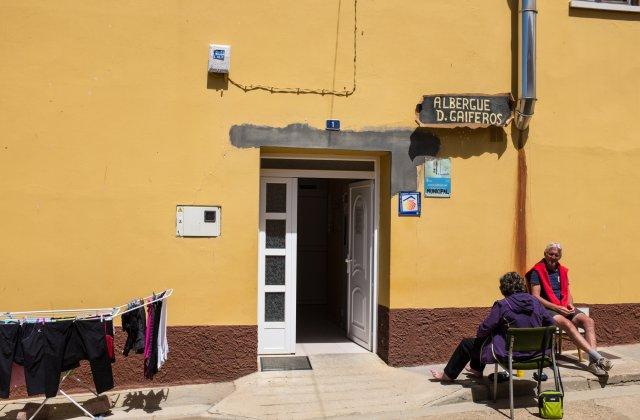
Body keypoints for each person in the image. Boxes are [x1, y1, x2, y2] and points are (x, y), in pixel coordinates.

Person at [431, 272, 555, 382]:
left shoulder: (503, 305)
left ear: (503, 289)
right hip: (537, 354)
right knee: (487, 338)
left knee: (469, 343)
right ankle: (476, 370)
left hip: (510, 355)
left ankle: (447, 375)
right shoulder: (535, 302)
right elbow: (551, 323)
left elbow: (483, 329)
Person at [527, 242, 613, 376]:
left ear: (559, 256)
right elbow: (535, 296)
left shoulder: (562, 271)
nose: (553, 257)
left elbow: (568, 292)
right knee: (567, 324)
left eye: (556, 255)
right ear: (545, 254)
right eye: (551, 254)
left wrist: (570, 304)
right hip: (546, 308)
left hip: (563, 306)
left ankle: (593, 363)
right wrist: (558, 308)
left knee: (589, 322)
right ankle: (598, 357)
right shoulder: (536, 271)